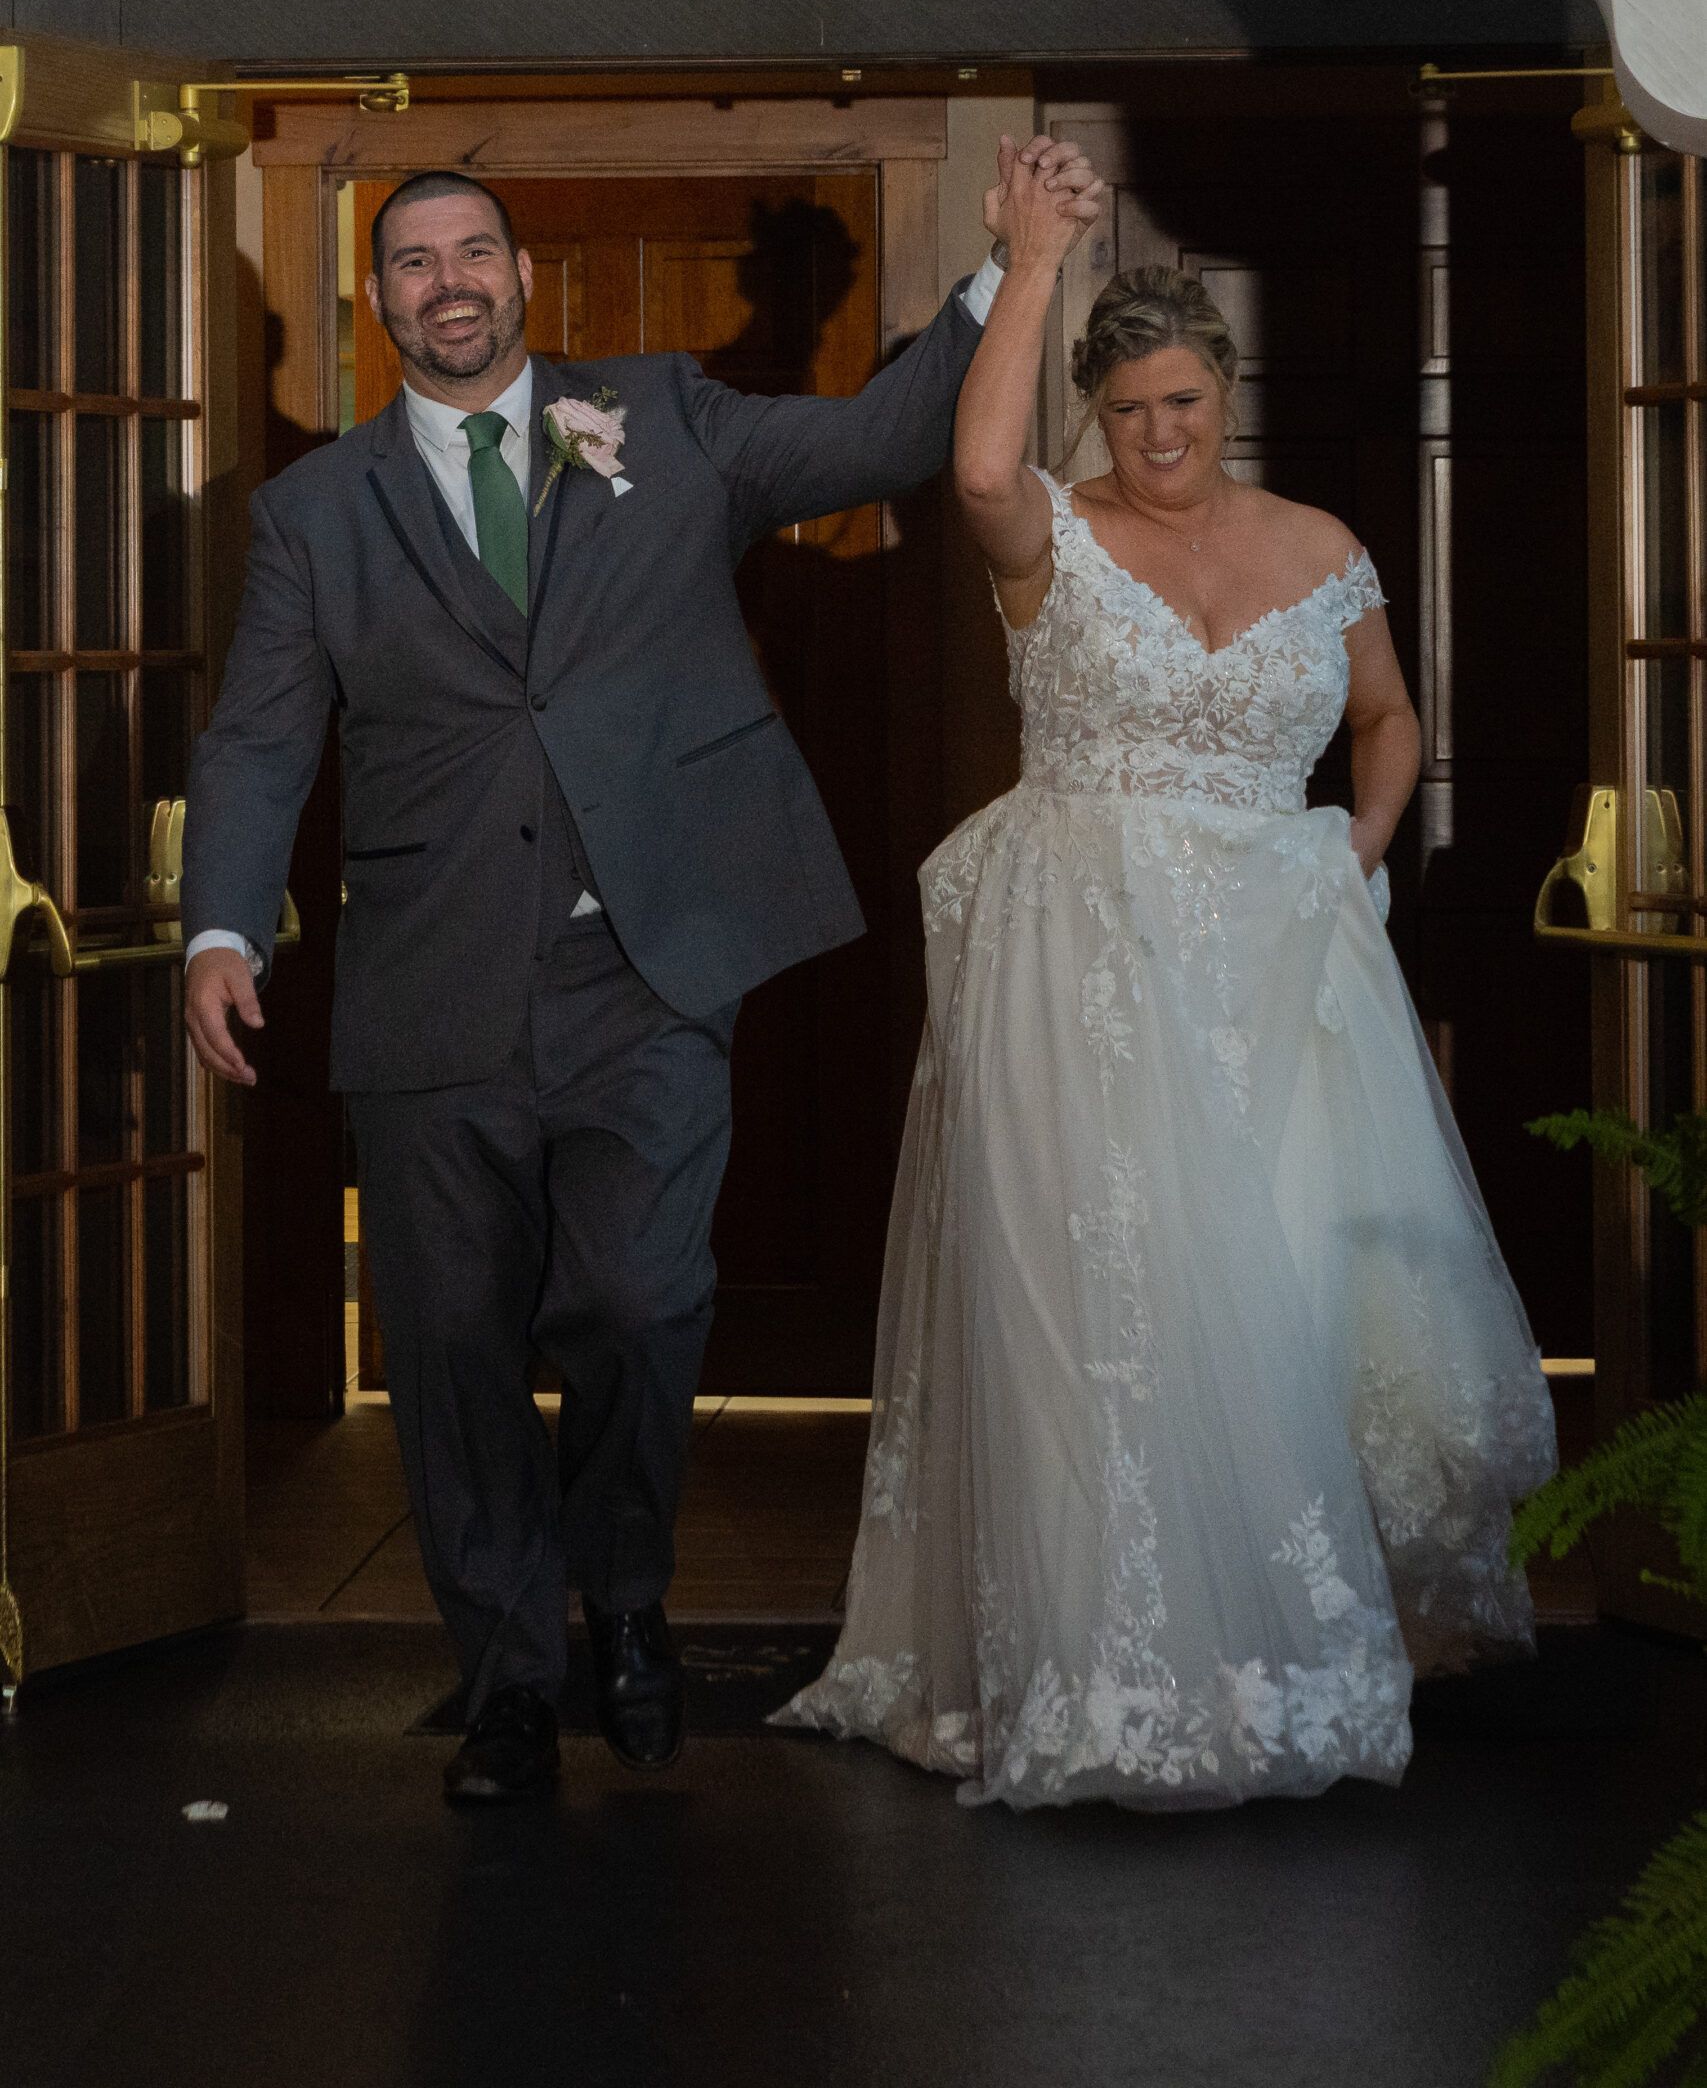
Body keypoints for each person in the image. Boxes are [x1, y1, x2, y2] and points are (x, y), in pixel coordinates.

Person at [182, 149, 1101, 1805]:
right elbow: (257, 739)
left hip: (655, 973)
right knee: (452, 1344)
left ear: (524, 278)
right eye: (411, 262)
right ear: (377, 298)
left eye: (473, 252)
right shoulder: (313, 515)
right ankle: (514, 1676)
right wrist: (223, 927)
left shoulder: (665, 418)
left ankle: (624, 1598)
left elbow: (881, 441)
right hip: (432, 986)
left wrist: (1012, 270)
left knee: (636, 1299)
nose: (446, 281)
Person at [777, 138, 1557, 1809]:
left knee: (1288, 1285)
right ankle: (1123, 1661)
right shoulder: (1047, 534)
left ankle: (1302, 1635)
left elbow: (1388, 714)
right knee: (1124, 1304)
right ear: (1098, 413)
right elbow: (979, 463)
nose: (1164, 433)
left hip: (1284, 972)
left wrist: (1355, 844)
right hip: (1091, 974)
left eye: (1188, 402)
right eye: (1132, 410)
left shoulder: (1320, 541)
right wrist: (1033, 252)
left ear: (1227, 392)